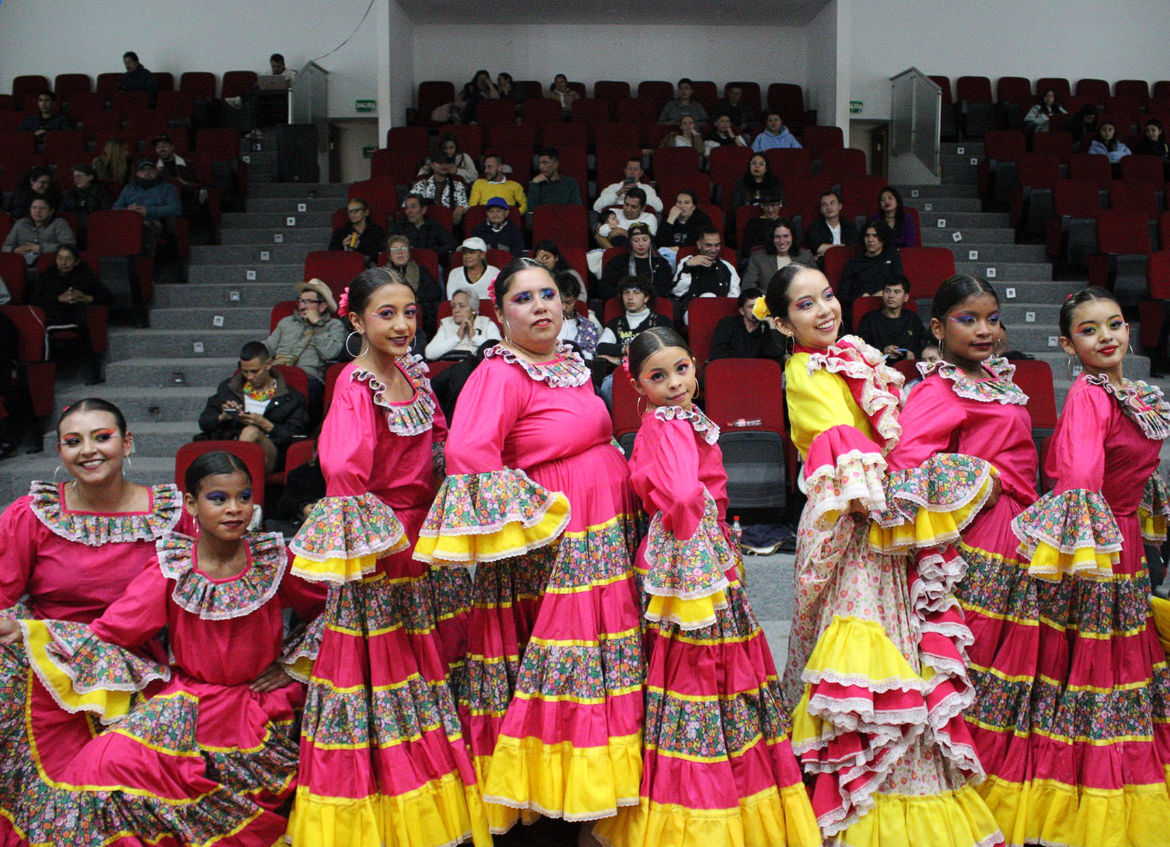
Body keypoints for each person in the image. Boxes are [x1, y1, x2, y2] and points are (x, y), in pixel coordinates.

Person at [757, 265, 1001, 846]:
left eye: (827, 297)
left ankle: (893, 789)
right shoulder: (804, 372)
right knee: (865, 653)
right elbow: (848, 460)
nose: (823, 310)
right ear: (784, 321)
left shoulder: (850, 357)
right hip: (857, 526)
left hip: (882, 525)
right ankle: (861, 801)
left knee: (897, 649)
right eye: (804, 305)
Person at [414, 257, 643, 838]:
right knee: (560, 669)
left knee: (595, 665)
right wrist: (530, 527)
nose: (541, 305)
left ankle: (589, 790)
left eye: (549, 294)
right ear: (499, 313)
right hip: (554, 548)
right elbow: (469, 455)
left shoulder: (572, 366)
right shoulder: (498, 373)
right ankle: (546, 803)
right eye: (524, 298)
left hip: (602, 535)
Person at [0, 451, 326, 847]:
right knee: (99, 767)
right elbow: (112, 631)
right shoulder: (173, 566)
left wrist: (292, 668)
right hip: (188, 701)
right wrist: (32, 632)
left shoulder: (274, 560)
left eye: (244, 496)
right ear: (191, 504)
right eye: (218, 499)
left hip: (259, 704)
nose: (234, 509)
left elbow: (327, 609)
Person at [593, 327, 820, 847]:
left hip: (691, 547)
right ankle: (717, 789)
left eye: (681, 370)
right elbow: (679, 491)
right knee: (706, 662)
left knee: (690, 663)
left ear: (695, 365)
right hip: (690, 551)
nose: (674, 384)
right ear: (638, 385)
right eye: (658, 376)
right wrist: (700, 536)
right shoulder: (671, 422)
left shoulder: (675, 419)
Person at [288, 266, 484, 847]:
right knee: (385, 674)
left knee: (429, 665)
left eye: (409, 314)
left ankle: (433, 790)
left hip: (424, 542)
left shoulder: (412, 374)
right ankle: (385, 811)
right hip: (384, 546)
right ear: (355, 320)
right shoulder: (355, 383)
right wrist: (382, 546)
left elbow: (442, 440)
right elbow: (345, 471)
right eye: (386, 314)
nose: (402, 326)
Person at [998, 286, 1170, 846]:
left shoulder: (1136, 394)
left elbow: (1135, 474)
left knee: (1117, 664)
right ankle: (1083, 791)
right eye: (1089, 330)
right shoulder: (1090, 396)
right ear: (1068, 345)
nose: (1107, 337)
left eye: (1115, 324)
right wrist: (1090, 555)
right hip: (1095, 554)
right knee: (1094, 668)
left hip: (1124, 548)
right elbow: (1077, 476)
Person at [882, 274, 1040, 847]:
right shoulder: (937, 390)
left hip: (1018, 537)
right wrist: (984, 479)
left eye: (992, 318)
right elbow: (905, 465)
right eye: (968, 319)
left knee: (1008, 674)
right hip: (977, 544)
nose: (985, 330)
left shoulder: (997, 383)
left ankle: (1000, 798)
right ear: (937, 327)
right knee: (978, 675)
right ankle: (970, 799)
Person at [0, 398, 182, 845]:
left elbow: (201, 598)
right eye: (73, 441)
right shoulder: (32, 513)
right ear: (59, 451)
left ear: (128, 442)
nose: (88, 450)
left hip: (136, 665)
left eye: (102, 437)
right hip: (43, 662)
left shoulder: (173, 515)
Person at [197, 341, 309, 473]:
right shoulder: (229, 389)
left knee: (251, 431)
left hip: (271, 451)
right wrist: (222, 417)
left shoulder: (292, 398)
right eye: (245, 372)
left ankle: (234, 473)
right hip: (230, 446)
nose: (250, 377)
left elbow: (296, 436)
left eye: (255, 371)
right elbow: (204, 422)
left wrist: (265, 424)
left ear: (268, 364)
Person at [31, 244, 114, 378]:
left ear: (76, 262)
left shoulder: (85, 276)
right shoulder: (47, 276)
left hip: (75, 315)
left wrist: (87, 298)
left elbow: (108, 297)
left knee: (86, 322)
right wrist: (58, 299)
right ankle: (41, 374)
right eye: (60, 258)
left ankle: (93, 370)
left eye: (68, 259)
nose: (63, 263)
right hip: (50, 315)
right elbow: (34, 301)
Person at [263, 278, 345, 404]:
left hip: (308, 378)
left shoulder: (333, 325)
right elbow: (268, 347)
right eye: (300, 301)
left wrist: (318, 325)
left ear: (322, 306)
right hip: (278, 373)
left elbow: (331, 353)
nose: (302, 306)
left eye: (308, 302)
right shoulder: (286, 322)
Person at [111, 159, 183, 254]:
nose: (147, 173)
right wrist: (128, 210)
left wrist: (148, 211)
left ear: (156, 171)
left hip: (155, 221)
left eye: (150, 170)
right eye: (143, 170)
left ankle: (145, 261)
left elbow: (175, 208)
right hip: (130, 219)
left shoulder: (167, 187)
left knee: (143, 227)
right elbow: (115, 208)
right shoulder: (129, 188)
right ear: (137, 173)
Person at [384, 234, 445, 334]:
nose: (400, 252)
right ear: (389, 256)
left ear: (409, 252)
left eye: (404, 248)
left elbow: (435, 293)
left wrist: (411, 299)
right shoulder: (382, 274)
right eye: (395, 249)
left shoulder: (421, 270)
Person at [708, 286, 786, 363]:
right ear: (742, 311)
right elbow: (717, 355)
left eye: (759, 306)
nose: (756, 310)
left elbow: (777, 354)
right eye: (751, 306)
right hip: (730, 370)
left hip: (757, 372)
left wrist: (772, 325)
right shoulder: (727, 325)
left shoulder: (767, 328)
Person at [856, 275, 926, 362]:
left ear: (906, 297)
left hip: (907, 366)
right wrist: (882, 351)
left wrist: (913, 354)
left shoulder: (912, 318)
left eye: (896, 292)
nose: (891, 296)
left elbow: (925, 343)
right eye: (887, 291)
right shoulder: (870, 319)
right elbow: (860, 346)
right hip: (879, 367)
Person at [599, 222, 674, 300]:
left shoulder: (661, 263)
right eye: (636, 240)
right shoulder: (617, 262)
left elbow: (664, 289)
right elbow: (605, 288)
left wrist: (641, 296)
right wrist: (627, 295)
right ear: (630, 242)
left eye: (645, 240)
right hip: (623, 302)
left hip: (651, 302)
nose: (641, 244)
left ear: (650, 240)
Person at [839, 219, 903, 309]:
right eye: (867, 236)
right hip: (861, 306)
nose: (870, 240)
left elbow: (898, 281)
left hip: (886, 304)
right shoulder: (854, 262)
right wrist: (860, 298)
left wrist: (884, 293)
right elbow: (842, 296)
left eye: (875, 236)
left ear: (883, 238)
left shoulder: (892, 255)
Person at [426, 286, 501, 360]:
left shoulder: (486, 324)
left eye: (462, 306)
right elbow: (429, 354)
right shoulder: (446, 324)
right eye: (453, 306)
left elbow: (499, 351)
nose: (456, 310)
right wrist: (457, 338)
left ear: (473, 309)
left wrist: (475, 337)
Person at [672, 226, 740, 305]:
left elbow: (734, 296)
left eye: (717, 245)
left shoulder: (727, 266)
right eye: (708, 245)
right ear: (699, 244)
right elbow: (677, 292)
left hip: (720, 310)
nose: (713, 250)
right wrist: (687, 267)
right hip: (693, 310)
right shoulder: (686, 262)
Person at [2, 196, 75, 266]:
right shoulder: (21, 223)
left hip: (51, 263)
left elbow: (69, 245)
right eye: (34, 208)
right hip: (22, 263)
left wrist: (40, 248)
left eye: (43, 208)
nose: (37, 211)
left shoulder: (59, 223)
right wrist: (14, 250)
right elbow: (5, 247)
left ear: (51, 211)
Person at [742, 218, 811, 288]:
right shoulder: (758, 257)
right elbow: (747, 286)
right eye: (777, 237)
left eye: (786, 236)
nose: (782, 241)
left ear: (793, 237)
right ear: (771, 238)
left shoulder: (806, 256)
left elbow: (816, 284)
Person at [390, 192, 458, 257]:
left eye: (413, 207)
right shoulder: (399, 225)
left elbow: (452, 244)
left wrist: (432, 253)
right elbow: (384, 244)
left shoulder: (433, 225)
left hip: (430, 262)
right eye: (407, 208)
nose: (409, 211)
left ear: (423, 210)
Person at [411, 151, 470, 226]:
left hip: (448, 224)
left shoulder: (457, 185)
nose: (444, 165)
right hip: (424, 223)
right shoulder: (421, 184)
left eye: (446, 163)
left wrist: (460, 209)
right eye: (440, 163)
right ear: (432, 165)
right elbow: (407, 204)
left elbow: (464, 204)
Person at [153, 133, 207, 208]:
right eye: (158, 147)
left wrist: (182, 183)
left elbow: (199, 183)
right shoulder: (153, 166)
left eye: (164, 146)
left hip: (183, 197)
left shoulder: (187, 163)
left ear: (172, 147)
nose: (161, 149)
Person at [554, 270, 600, 360]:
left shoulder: (588, 328)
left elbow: (590, 360)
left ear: (576, 299)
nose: (563, 307)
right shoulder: (542, 324)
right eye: (559, 302)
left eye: (568, 302)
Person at [327, 197, 386, 265]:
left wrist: (359, 247)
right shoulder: (341, 232)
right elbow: (332, 254)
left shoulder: (376, 230)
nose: (352, 214)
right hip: (347, 264)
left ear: (366, 212)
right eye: (350, 211)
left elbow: (379, 251)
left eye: (356, 211)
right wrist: (343, 247)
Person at [804, 189, 859, 261]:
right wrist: (840, 248)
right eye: (824, 205)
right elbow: (816, 247)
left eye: (832, 203)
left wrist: (827, 251)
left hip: (847, 262)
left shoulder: (849, 226)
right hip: (825, 263)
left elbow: (852, 248)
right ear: (820, 210)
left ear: (840, 206)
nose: (829, 207)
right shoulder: (815, 227)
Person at [61, 163, 114, 236]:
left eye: (79, 176)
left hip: (93, 229)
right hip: (70, 229)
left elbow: (104, 214)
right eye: (74, 177)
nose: (76, 179)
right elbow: (62, 213)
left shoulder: (102, 193)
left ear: (90, 177)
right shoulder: (69, 194)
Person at [595, 156, 662, 214]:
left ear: (641, 173)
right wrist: (617, 193)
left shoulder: (647, 189)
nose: (632, 172)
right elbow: (597, 207)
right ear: (625, 171)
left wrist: (640, 193)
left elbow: (659, 207)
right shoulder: (613, 187)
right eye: (630, 168)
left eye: (636, 169)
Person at [738, 188, 786, 262]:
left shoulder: (786, 223)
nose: (770, 209)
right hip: (760, 260)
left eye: (774, 205)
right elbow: (746, 249)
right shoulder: (754, 223)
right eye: (766, 205)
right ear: (761, 205)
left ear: (780, 204)